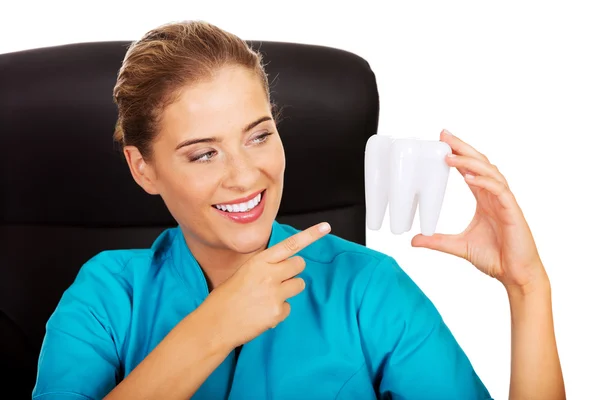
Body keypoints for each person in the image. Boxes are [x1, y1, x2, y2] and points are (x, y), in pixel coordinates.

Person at [32, 20, 565, 400]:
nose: (245, 175)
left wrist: (527, 286)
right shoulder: (106, 296)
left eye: (259, 136)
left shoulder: (366, 287)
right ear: (142, 167)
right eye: (204, 153)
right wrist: (214, 327)